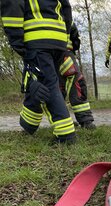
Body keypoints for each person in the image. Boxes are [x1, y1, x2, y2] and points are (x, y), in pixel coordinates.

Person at [1, 0, 76, 144]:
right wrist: (64, 36)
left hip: (37, 39)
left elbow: (12, 6)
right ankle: (28, 125)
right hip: (59, 40)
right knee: (35, 80)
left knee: (47, 85)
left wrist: (17, 41)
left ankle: (66, 136)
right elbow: (66, 8)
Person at [60, 23, 96, 129]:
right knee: (77, 85)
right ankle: (86, 121)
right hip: (66, 54)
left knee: (56, 89)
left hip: (45, 55)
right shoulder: (64, 13)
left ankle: (62, 120)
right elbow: (75, 40)